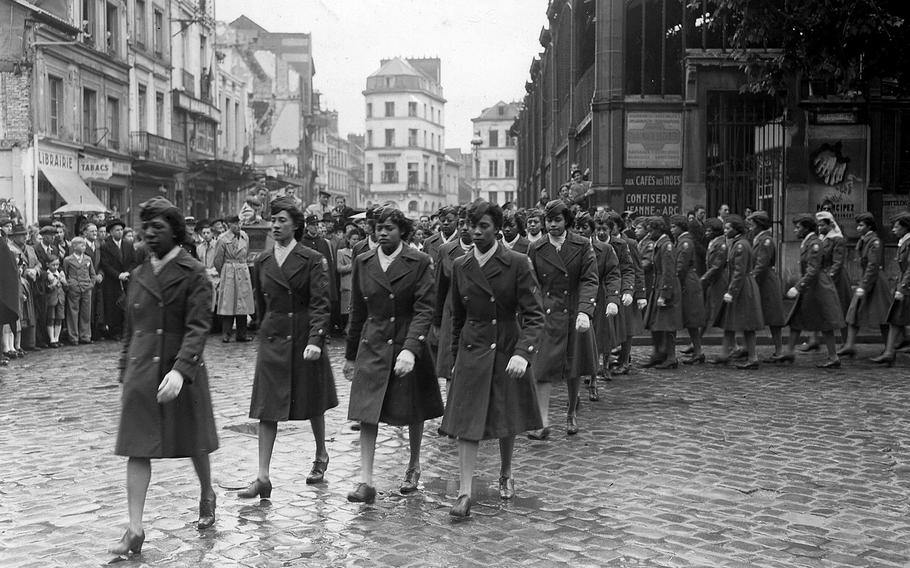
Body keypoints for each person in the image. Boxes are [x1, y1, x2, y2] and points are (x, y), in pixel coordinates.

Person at [110, 198, 218, 556]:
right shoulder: (140, 274)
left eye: (159, 227)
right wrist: (126, 364)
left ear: (176, 231)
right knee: (136, 448)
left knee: (194, 441)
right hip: (143, 372)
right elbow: (131, 326)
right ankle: (135, 528)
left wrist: (181, 370)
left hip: (179, 371)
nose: (150, 234)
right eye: (146, 228)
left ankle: (207, 492)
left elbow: (198, 327)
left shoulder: (194, 273)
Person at [438, 201, 546, 517]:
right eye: (471, 225)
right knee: (465, 421)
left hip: (506, 347)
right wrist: (454, 358)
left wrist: (523, 354)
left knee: (505, 415)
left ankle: (507, 471)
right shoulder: (460, 265)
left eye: (483, 225)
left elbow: (535, 315)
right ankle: (464, 492)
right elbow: (457, 317)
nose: (475, 232)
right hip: (472, 347)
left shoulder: (517, 262)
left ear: (496, 228)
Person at [238, 197, 339, 499]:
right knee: (266, 407)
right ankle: (262, 476)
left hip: (303, 337)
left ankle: (321, 454)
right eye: (273, 220)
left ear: (296, 225)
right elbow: (262, 302)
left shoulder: (311, 259)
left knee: (312, 402)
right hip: (273, 338)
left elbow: (322, 303)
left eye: (282, 220)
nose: (276, 225)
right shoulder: (263, 261)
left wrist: (315, 339)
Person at [343, 207, 443, 504]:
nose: (382, 233)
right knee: (366, 410)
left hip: (406, 342)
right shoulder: (363, 261)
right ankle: (366, 480)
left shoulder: (420, 262)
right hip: (373, 344)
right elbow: (358, 311)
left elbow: (426, 309)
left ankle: (413, 465)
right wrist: (350, 355)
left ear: (403, 231)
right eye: (378, 228)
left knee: (413, 408)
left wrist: (411, 349)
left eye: (389, 228)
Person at [527, 200, 598, 438]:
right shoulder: (536, 248)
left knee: (574, 366)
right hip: (548, 314)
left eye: (557, 220)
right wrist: (533, 310)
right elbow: (531, 283)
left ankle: (571, 413)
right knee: (542, 368)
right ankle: (542, 421)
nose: (552, 225)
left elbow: (590, 279)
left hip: (574, 312)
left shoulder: (581, 245)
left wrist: (585, 311)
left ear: (566, 221)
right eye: (549, 220)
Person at [775, 214, 844, 368]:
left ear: (806, 228)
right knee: (797, 319)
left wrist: (797, 287)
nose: (795, 230)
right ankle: (789, 352)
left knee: (826, 322)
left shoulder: (815, 244)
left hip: (818, 287)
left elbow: (813, 270)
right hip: (811, 287)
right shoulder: (808, 242)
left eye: (798, 227)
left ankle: (833, 357)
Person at [710, 215, 764, 368]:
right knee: (729, 322)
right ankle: (724, 354)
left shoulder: (741, 245)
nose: (725, 231)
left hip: (742, 287)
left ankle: (753, 358)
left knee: (747, 324)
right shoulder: (738, 243)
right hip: (740, 285)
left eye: (728, 228)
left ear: (736, 229)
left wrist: (732, 291)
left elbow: (739, 272)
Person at [840, 213, 891, 357]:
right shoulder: (864, 240)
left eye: (861, 225)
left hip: (875, 281)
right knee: (853, 312)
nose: (858, 228)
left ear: (869, 226)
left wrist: (864, 286)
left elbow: (872, 265)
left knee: (883, 316)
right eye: (858, 225)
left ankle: (889, 348)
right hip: (867, 279)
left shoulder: (874, 241)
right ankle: (850, 345)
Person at [642, 217, 683, 369]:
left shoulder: (667, 246)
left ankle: (671, 357)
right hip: (658, 285)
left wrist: (664, 294)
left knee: (668, 324)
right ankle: (658, 353)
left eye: (651, 230)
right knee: (656, 322)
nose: (649, 233)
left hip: (666, 286)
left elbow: (668, 272)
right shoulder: (660, 244)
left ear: (659, 230)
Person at [872, 212, 910, 365]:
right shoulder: (904, 242)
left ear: (905, 228)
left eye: (896, 227)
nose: (893, 229)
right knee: (896, 318)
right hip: (904, 284)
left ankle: (891, 351)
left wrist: (902, 287)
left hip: (907, 286)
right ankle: (890, 351)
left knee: (897, 317)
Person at [669, 215, 706, 364]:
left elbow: (681, 266)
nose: (671, 230)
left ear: (680, 227)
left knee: (691, 318)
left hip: (687, 282)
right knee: (690, 320)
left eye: (673, 226)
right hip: (687, 280)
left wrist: (674, 283)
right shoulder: (682, 241)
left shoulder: (685, 242)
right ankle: (697, 350)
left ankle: (698, 351)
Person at [213, 215, 254, 342]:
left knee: (243, 304)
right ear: (229, 225)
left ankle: (242, 333)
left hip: (242, 270)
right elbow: (217, 261)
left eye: (239, 223)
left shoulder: (244, 236)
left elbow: (246, 253)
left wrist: (242, 265)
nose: (238, 226)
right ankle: (226, 334)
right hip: (229, 271)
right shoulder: (223, 239)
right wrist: (225, 272)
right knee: (228, 304)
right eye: (235, 223)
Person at [100, 218, 137, 340]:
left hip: (127, 279)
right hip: (112, 280)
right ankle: (115, 331)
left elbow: (133, 261)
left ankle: (125, 330)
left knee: (126, 304)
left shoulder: (128, 244)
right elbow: (105, 265)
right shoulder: (106, 246)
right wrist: (118, 275)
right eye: (117, 230)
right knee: (113, 305)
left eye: (121, 230)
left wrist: (128, 272)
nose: (120, 232)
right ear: (111, 232)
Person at [699, 218, 728, 347]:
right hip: (712, 281)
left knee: (720, 313)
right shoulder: (713, 242)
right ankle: (696, 341)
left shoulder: (721, 244)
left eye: (709, 230)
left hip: (719, 280)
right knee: (706, 312)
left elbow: (717, 266)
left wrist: (704, 278)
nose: (706, 232)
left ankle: (731, 346)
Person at [62, 236, 96, 345]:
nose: (84, 247)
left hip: (86, 288)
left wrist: (91, 284)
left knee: (86, 313)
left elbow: (92, 274)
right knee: (73, 313)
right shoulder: (68, 260)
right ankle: (73, 337)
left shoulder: (88, 259)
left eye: (84, 245)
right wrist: (70, 285)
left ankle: (85, 336)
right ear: (74, 246)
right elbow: (65, 274)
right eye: (81, 245)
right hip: (74, 289)